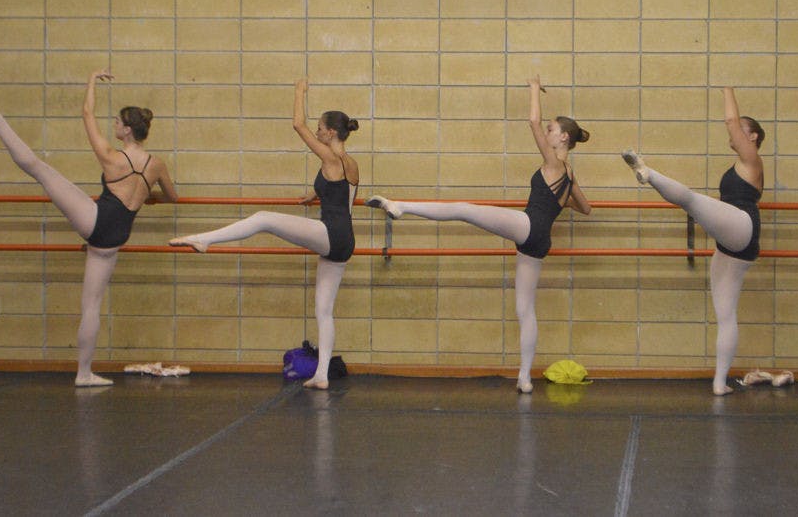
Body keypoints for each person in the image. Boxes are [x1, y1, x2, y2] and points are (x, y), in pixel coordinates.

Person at [366, 76, 591, 393]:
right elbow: (586, 208)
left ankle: (401, 207)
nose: (548, 133)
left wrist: (532, 88)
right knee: (525, 310)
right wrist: (560, 201)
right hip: (540, 240)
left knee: (464, 209)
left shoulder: (553, 161)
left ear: (563, 138)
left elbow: (532, 120)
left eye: (552, 131)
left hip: (529, 226)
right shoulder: (569, 175)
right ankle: (524, 378)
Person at [0, 70, 178, 387]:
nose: (113, 125)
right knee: (92, 306)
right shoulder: (157, 164)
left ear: (126, 130)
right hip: (113, 239)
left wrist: (92, 80)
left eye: (117, 122)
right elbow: (172, 197)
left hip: (96, 221)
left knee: (40, 170)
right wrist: (148, 197)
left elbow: (86, 113)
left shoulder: (112, 157)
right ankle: (84, 374)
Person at [170, 79, 358, 390]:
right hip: (343, 240)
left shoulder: (329, 158)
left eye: (321, 128)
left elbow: (298, 124)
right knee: (323, 310)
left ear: (331, 133)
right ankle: (322, 375)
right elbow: (343, 195)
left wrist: (299, 91)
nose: (318, 131)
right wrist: (315, 196)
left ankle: (206, 239)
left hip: (331, 233)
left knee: (264, 218)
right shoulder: (349, 163)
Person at [621, 87, 764, 396]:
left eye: (743, 129)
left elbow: (730, 119)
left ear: (752, 138)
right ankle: (719, 383)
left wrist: (726, 86)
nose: (737, 131)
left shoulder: (752, 158)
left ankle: (649, 173)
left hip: (743, 225)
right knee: (725, 315)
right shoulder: (740, 164)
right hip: (732, 243)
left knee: (691, 200)